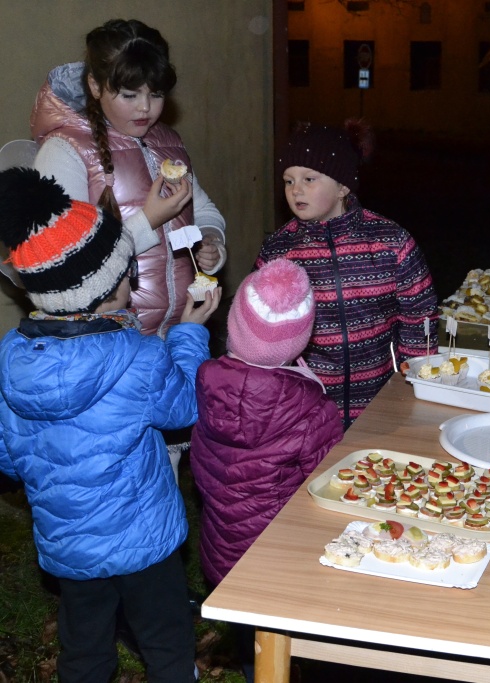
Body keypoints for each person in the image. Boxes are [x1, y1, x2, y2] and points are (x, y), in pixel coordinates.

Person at [0, 167, 222, 682]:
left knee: (84, 648)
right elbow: (184, 408)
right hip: (144, 542)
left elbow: (8, 458)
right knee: (166, 641)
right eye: (128, 275)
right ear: (106, 289)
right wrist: (189, 335)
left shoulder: (12, 362)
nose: (132, 283)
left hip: (68, 545)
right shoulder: (138, 357)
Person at [190, 258, 344, 680]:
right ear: (301, 338)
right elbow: (330, 486)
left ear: (234, 325)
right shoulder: (311, 409)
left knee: (251, 644)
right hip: (280, 561)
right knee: (289, 645)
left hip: (222, 552)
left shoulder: (208, 382)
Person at [31, 18, 227, 340]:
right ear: (95, 86)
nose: (145, 108)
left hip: (180, 332)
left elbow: (203, 208)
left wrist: (211, 240)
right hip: (108, 342)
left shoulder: (168, 142)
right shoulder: (64, 151)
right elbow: (67, 263)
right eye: (129, 95)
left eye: (156, 94)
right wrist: (149, 221)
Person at [255, 121, 438, 428]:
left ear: (342, 187)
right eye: (288, 181)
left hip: (379, 403)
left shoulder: (390, 243)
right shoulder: (279, 251)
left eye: (309, 179)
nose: (296, 190)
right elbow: (259, 326)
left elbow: (419, 317)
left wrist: (414, 386)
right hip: (306, 409)